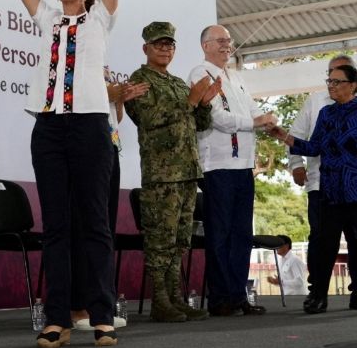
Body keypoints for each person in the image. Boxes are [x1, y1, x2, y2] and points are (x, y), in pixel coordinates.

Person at [0, 0, 147, 348]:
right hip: (48, 128)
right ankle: (57, 319)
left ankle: (101, 314)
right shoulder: (47, 17)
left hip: (91, 128)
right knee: (55, 225)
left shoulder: (101, 17)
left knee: (93, 222)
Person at [269, 65, 357, 315]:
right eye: (329, 81)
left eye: (337, 82)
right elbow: (314, 147)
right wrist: (285, 137)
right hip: (332, 193)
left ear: (353, 85)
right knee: (325, 247)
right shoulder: (326, 114)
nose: (331, 85)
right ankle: (319, 298)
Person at [123, 22, 218, 323]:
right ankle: (159, 301)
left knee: (180, 240)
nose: (165, 49)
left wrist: (204, 104)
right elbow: (147, 119)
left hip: (188, 170)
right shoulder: (139, 80)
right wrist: (190, 102)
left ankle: (175, 298)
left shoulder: (178, 83)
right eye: (159, 44)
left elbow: (198, 124)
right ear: (146, 48)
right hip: (161, 173)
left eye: (170, 45)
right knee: (160, 238)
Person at [187, 24, 275, 317]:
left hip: (244, 166)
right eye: (221, 41)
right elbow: (218, 119)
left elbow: (251, 110)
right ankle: (220, 297)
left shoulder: (234, 77)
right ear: (206, 45)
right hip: (218, 165)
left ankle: (239, 295)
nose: (227, 45)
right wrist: (257, 122)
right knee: (220, 233)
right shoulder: (199, 73)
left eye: (229, 40)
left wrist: (265, 120)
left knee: (242, 234)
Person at [71, 67, 148, 330]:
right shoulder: (76, 56)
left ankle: (99, 305)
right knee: (85, 227)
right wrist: (109, 93)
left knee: (104, 230)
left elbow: (116, 117)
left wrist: (118, 100)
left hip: (109, 146)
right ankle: (77, 306)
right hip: (84, 146)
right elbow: (71, 98)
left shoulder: (102, 67)